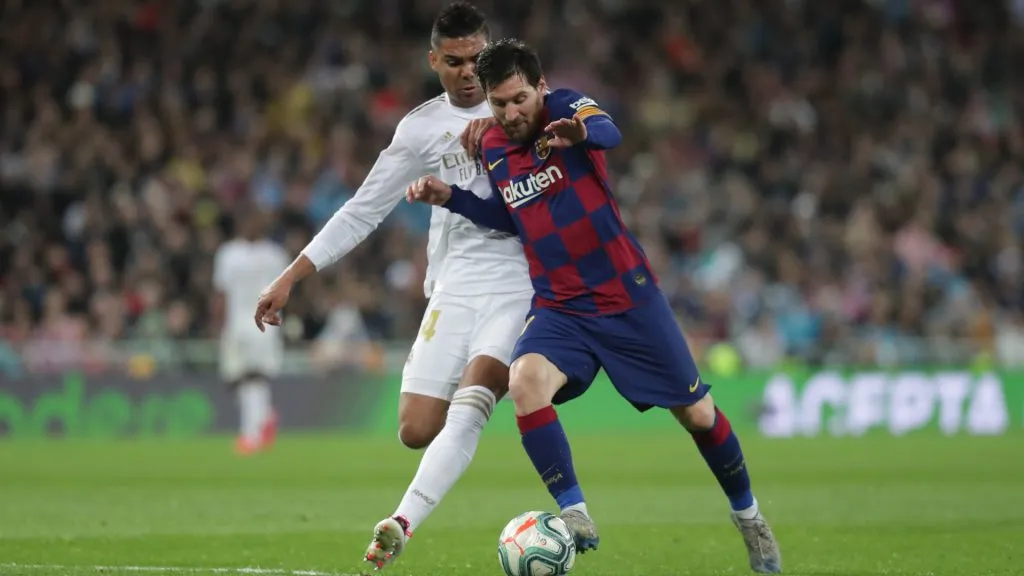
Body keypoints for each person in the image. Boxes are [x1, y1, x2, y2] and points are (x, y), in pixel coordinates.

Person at [405, 38, 783, 574]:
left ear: (539, 87)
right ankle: (575, 513)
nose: (511, 113)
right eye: (499, 103)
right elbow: (515, 217)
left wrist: (580, 134)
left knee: (698, 415)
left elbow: (610, 131)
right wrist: (453, 198)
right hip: (561, 305)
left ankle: (749, 517)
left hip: (626, 297)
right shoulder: (491, 145)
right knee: (525, 381)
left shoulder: (565, 109)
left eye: (519, 99)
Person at [252, 3, 534, 571]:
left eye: (477, 59)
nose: (468, 71)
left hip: (518, 279)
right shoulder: (419, 129)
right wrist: (290, 276)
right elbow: (362, 210)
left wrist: (508, 124)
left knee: (472, 402)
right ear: (434, 60)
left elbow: (582, 134)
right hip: (453, 285)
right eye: (454, 61)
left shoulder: (521, 105)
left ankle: (400, 522)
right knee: (415, 428)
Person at [213, 206, 290, 455]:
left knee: (255, 375)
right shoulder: (228, 254)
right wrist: (219, 322)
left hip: (264, 323)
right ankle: (265, 416)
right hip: (236, 322)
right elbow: (221, 292)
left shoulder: (274, 254)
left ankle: (251, 435)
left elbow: (286, 290)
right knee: (234, 378)